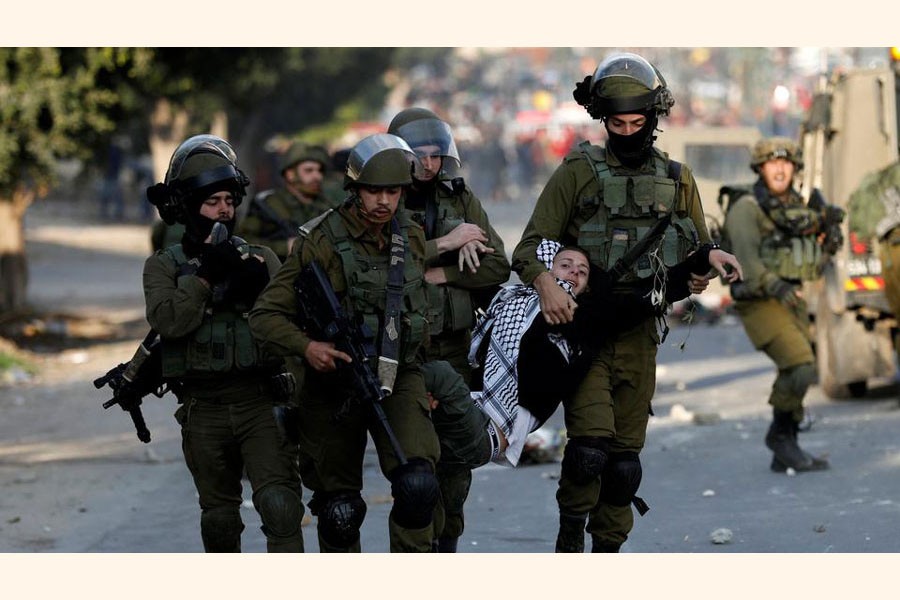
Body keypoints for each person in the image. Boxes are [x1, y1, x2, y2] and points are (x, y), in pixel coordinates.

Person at [511, 52, 740, 553]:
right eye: (619, 123)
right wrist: (545, 283)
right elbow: (530, 247)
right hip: (585, 332)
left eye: (639, 122)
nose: (630, 131)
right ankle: (571, 530)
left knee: (623, 464)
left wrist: (708, 264)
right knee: (589, 450)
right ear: (604, 120)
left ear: (653, 120)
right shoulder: (579, 171)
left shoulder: (677, 177)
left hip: (640, 331)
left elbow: (698, 248)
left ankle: (608, 550)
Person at [424, 240, 740, 544]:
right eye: (565, 265)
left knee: (435, 376)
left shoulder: (587, 316)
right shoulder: (508, 300)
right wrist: (452, 254)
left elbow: (652, 293)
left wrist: (705, 257)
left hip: (491, 432)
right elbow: (486, 271)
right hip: (463, 408)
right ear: (547, 271)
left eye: (583, 270)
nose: (574, 271)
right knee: (436, 488)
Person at [248, 133, 441, 553]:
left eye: (393, 192)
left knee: (418, 486)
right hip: (333, 380)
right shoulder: (321, 240)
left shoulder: (409, 234)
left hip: (397, 374)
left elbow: (417, 311)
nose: (384, 202)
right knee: (340, 511)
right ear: (355, 189)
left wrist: (426, 379)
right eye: (374, 191)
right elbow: (265, 315)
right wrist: (307, 348)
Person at [143, 134, 304, 552]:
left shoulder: (260, 259)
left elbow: (291, 329)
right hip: (204, 408)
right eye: (212, 202)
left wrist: (258, 288)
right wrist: (206, 279)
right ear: (188, 207)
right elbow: (168, 321)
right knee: (219, 519)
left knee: (282, 506)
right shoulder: (164, 266)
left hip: (259, 402)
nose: (224, 211)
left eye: (229, 201)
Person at [386, 107, 511, 552]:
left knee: (456, 469)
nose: (429, 164)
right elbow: (379, 264)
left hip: (455, 348)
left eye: (436, 155)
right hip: (399, 353)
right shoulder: (383, 199)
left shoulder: (458, 199)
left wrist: (444, 275)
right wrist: (447, 245)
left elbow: (497, 263)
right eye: (419, 155)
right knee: (417, 477)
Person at [723, 137, 841, 473]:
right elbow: (746, 261)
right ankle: (779, 436)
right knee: (801, 364)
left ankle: (785, 445)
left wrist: (828, 244)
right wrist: (775, 285)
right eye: (772, 163)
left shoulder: (794, 210)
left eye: (787, 163)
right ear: (760, 168)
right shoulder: (746, 207)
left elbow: (809, 266)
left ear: (795, 169)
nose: (780, 168)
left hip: (791, 297)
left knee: (796, 369)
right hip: (759, 301)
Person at [237, 141, 334, 261]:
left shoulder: (326, 206)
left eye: (319, 170)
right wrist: (284, 247)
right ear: (291, 174)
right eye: (309, 170)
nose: (317, 176)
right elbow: (243, 241)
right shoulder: (269, 205)